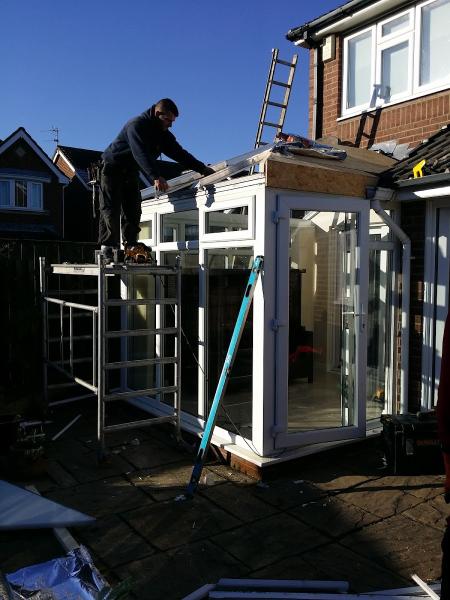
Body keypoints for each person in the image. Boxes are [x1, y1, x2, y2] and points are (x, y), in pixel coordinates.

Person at [99, 98, 214, 258]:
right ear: (158, 113)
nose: (170, 124)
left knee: (133, 209)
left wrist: (202, 168)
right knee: (111, 207)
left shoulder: (163, 135)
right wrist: (155, 176)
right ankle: (108, 247)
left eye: (172, 121)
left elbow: (179, 153)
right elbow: (140, 153)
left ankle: (130, 245)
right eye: (168, 120)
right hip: (112, 169)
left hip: (131, 171)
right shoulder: (136, 125)